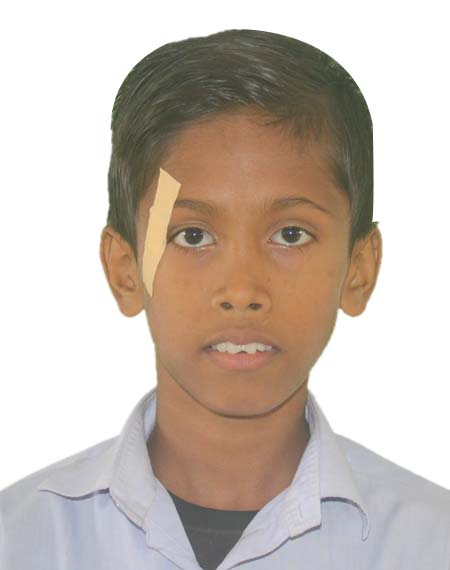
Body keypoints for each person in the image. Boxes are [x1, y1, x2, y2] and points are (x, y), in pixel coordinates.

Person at [1, 28, 449, 570]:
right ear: (125, 270)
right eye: (192, 236)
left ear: (359, 270)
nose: (241, 291)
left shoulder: (430, 545)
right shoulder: (21, 541)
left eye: (291, 235)